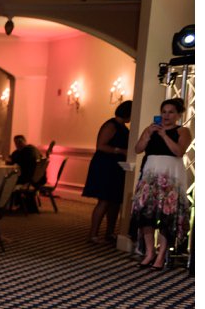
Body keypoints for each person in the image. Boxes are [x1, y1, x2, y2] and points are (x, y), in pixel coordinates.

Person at [129, 98, 193, 269]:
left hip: (170, 177)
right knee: (146, 216)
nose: (166, 115)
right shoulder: (151, 129)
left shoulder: (183, 131)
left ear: (178, 115)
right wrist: (148, 134)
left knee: (167, 217)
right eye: (164, 112)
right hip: (150, 176)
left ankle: (162, 254)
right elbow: (137, 149)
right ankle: (150, 252)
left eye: (171, 112)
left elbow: (179, 151)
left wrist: (164, 135)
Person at [82, 101, 132, 244]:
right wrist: (121, 151)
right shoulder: (111, 125)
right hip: (105, 165)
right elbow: (101, 146)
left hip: (117, 166)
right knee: (104, 200)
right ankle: (93, 234)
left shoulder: (123, 127)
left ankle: (109, 233)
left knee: (115, 200)